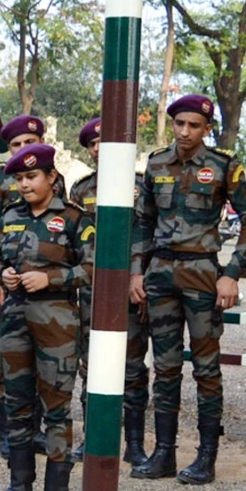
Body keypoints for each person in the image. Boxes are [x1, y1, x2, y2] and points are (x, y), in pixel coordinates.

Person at [130, 94, 246, 485]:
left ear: (207, 129)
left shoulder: (223, 166)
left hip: (203, 273)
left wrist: (232, 272)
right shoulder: (156, 163)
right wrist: (137, 272)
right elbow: (143, 221)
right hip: (161, 274)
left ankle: (206, 457)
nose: (185, 132)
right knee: (166, 369)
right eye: (179, 124)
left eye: (193, 126)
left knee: (206, 369)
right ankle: (164, 454)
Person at [0, 143, 93, 491]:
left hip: (57, 323)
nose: (24, 185)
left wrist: (52, 279)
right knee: (17, 404)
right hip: (14, 320)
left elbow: (94, 269)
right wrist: (2, 274)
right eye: (19, 179)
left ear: (51, 178)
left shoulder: (76, 220)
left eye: (31, 177)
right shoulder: (10, 215)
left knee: (56, 409)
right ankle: (19, 487)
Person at [69, 116, 152, 466]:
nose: (100, 148)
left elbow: (147, 233)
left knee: (132, 366)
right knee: (91, 365)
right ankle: (93, 436)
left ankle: (134, 443)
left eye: (106, 141)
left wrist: (140, 275)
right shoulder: (82, 190)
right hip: (92, 289)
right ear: (89, 151)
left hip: (131, 289)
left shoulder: (140, 187)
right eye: (93, 144)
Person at [0, 113, 54, 457]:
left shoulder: (54, 176)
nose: (23, 149)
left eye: (29, 142)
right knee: (10, 358)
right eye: (16, 145)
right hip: (8, 278)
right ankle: (9, 430)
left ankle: (33, 429)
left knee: (42, 356)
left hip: (45, 283)